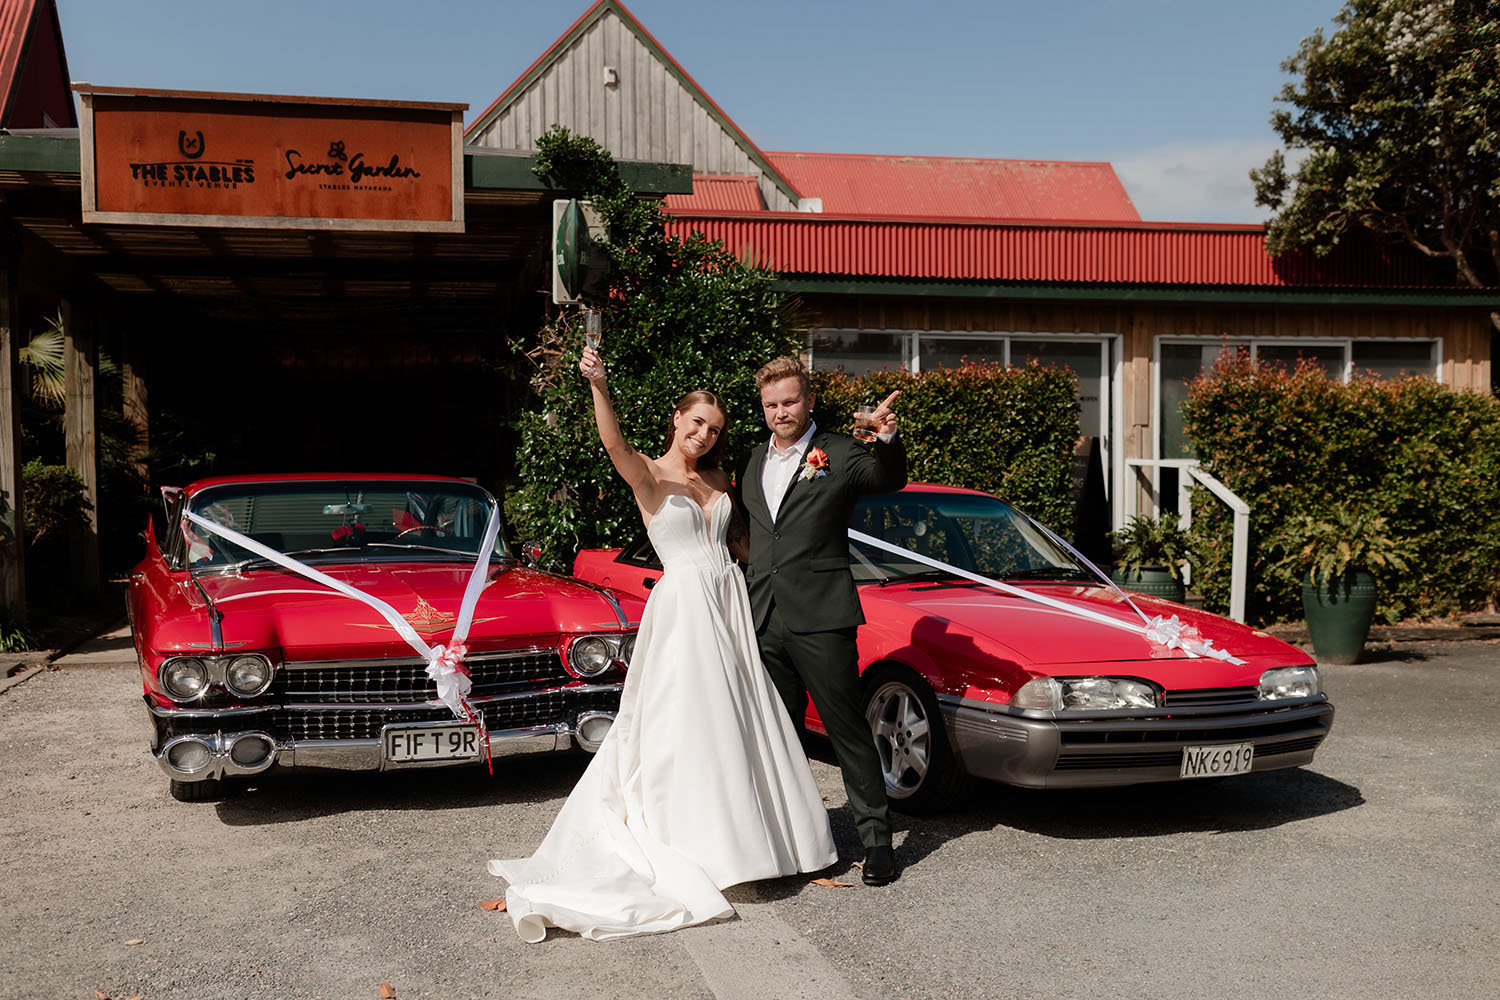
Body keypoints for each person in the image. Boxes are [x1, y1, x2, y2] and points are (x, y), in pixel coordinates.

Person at [487, 345, 837, 943]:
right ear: (676, 420)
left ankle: (765, 839)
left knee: (742, 714)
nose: (703, 434)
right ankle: (700, 840)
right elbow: (614, 444)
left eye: (715, 428)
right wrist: (599, 385)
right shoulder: (647, 472)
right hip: (684, 606)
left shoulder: (721, 479)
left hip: (728, 600)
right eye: (696, 422)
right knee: (688, 719)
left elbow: (753, 546)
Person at [736, 357, 907, 886]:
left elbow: (886, 478)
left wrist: (886, 437)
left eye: (789, 401)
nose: (780, 411)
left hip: (823, 615)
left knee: (845, 729)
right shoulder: (748, 459)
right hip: (763, 616)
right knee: (775, 733)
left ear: (808, 400)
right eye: (771, 404)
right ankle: (789, 842)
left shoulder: (839, 451)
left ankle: (878, 842)